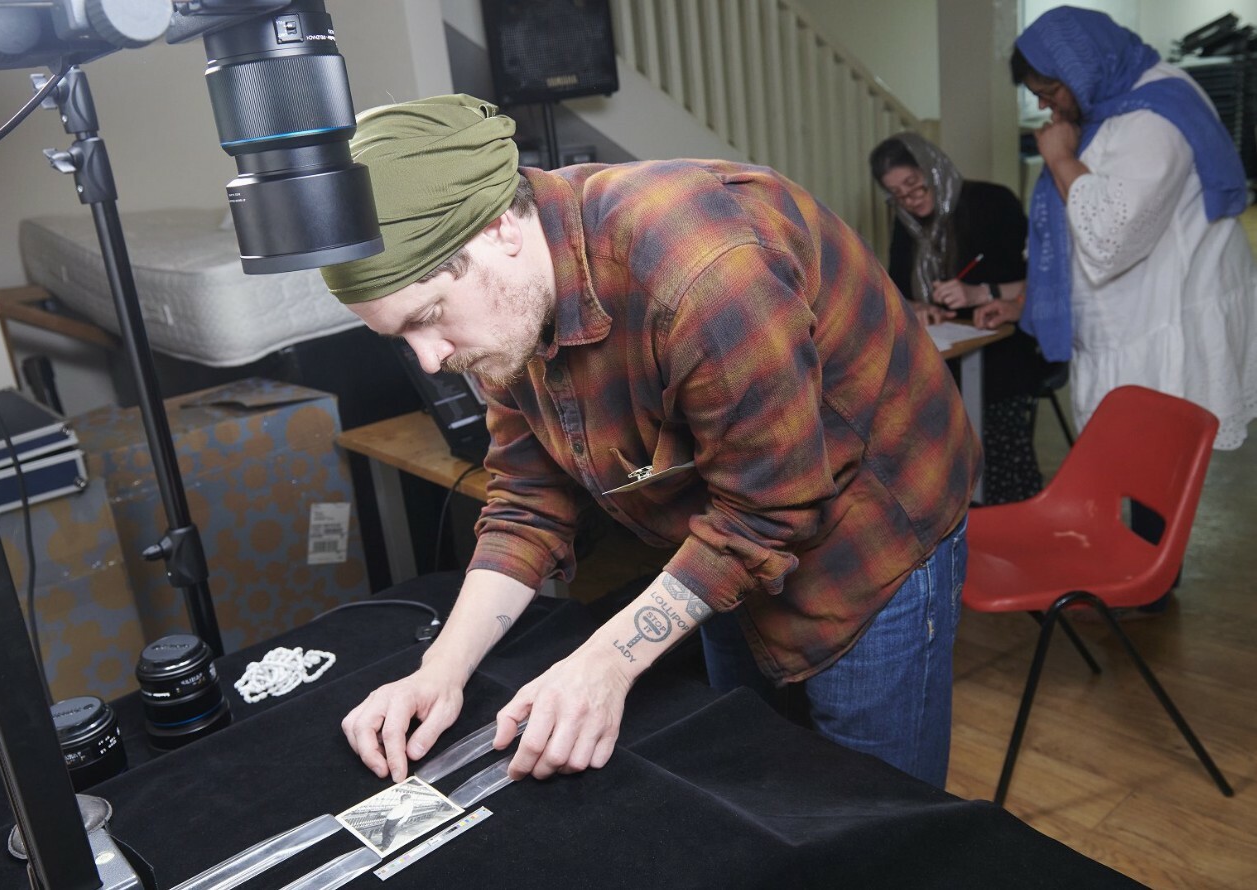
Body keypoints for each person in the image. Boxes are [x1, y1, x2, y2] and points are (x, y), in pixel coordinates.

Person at [324, 95, 979, 790]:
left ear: (496, 231)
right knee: (755, 768)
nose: (430, 359)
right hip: (717, 534)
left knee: (872, 806)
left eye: (429, 316)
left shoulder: (705, 268)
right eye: (402, 336)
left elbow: (770, 510)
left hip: (868, 534)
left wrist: (605, 661)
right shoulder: (506, 308)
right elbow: (526, 497)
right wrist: (441, 671)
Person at [978, 5, 1257, 454]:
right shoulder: (1116, 100)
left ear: (1081, 67)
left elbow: (1109, 236)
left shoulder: (1153, 120)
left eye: (1049, 91)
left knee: (1150, 478)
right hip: (1130, 327)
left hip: (1154, 330)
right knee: (1132, 474)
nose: (1043, 106)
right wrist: (1024, 303)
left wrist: (1061, 161)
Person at [870, 132, 1052, 504]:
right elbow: (898, 288)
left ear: (931, 168)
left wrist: (979, 291)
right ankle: (951, 514)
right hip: (946, 351)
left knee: (986, 407)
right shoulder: (907, 224)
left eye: (914, 184)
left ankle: (1001, 511)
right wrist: (920, 307)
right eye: (898, 194)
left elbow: (1042, 283)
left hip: (1004, 345)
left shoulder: (991, 202)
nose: (910, 198)